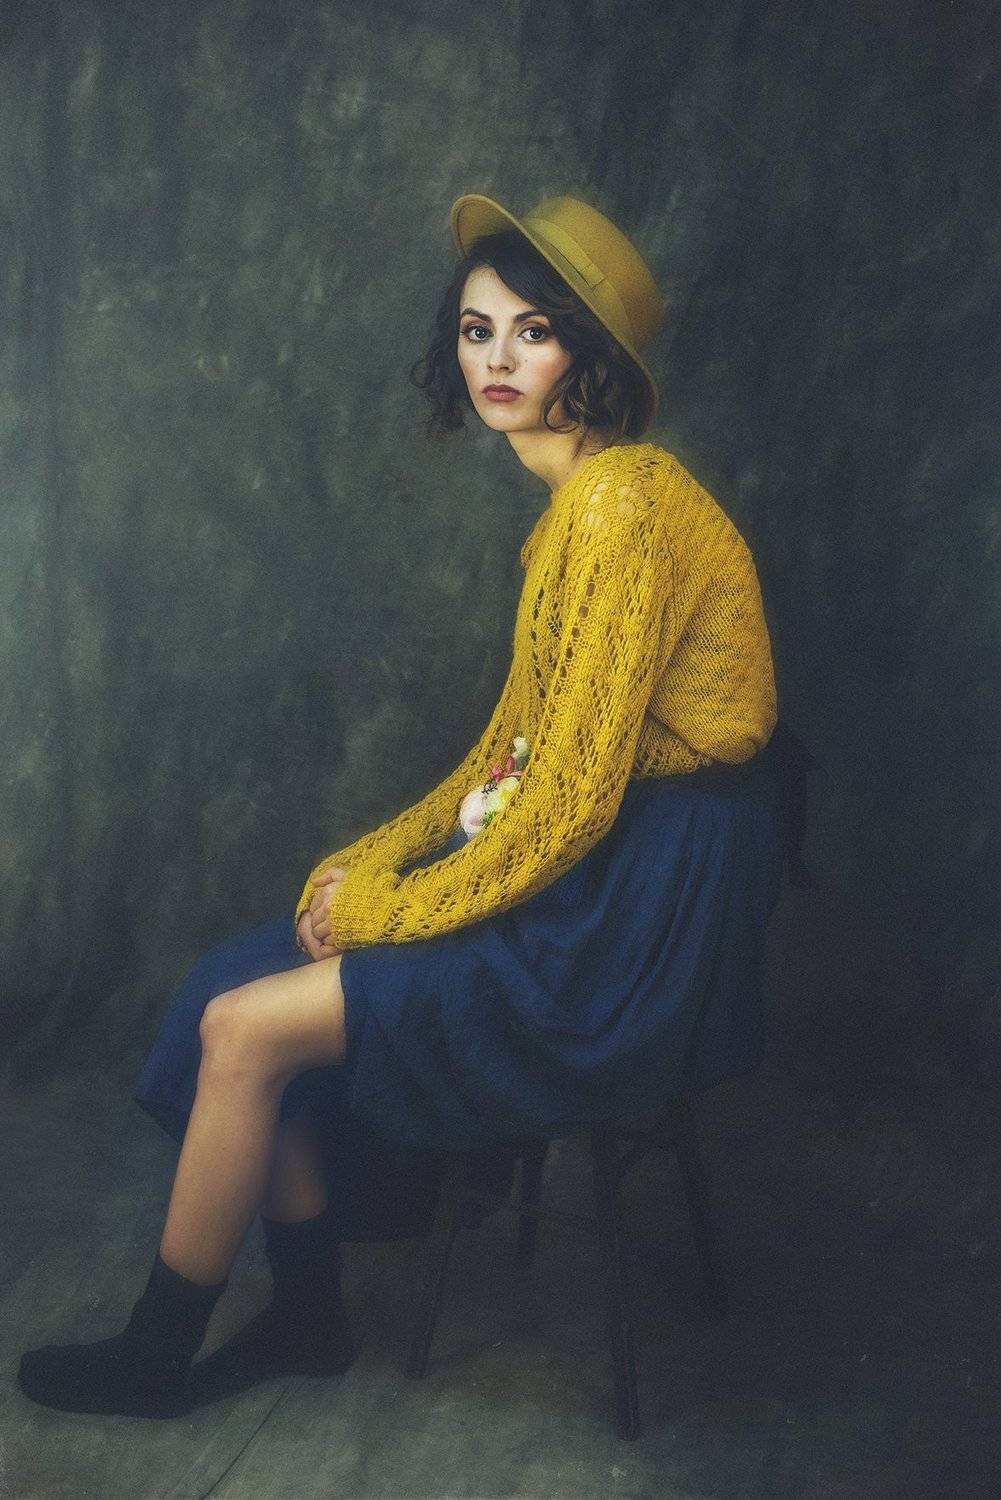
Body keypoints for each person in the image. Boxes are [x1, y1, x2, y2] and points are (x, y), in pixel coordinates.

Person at [17, 192, 790, 1419]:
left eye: (533, 331)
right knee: (233, 977)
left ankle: (164, 1352)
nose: (495, 359)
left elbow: (568, 803)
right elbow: (510, 752)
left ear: (590, 358)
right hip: (599, 866)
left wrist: (382, 908)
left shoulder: (620, 509)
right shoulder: (579, 512)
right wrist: (367, 858)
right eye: (476, 330)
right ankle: (306, 1314)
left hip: (625, 920)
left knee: (245, 1026)